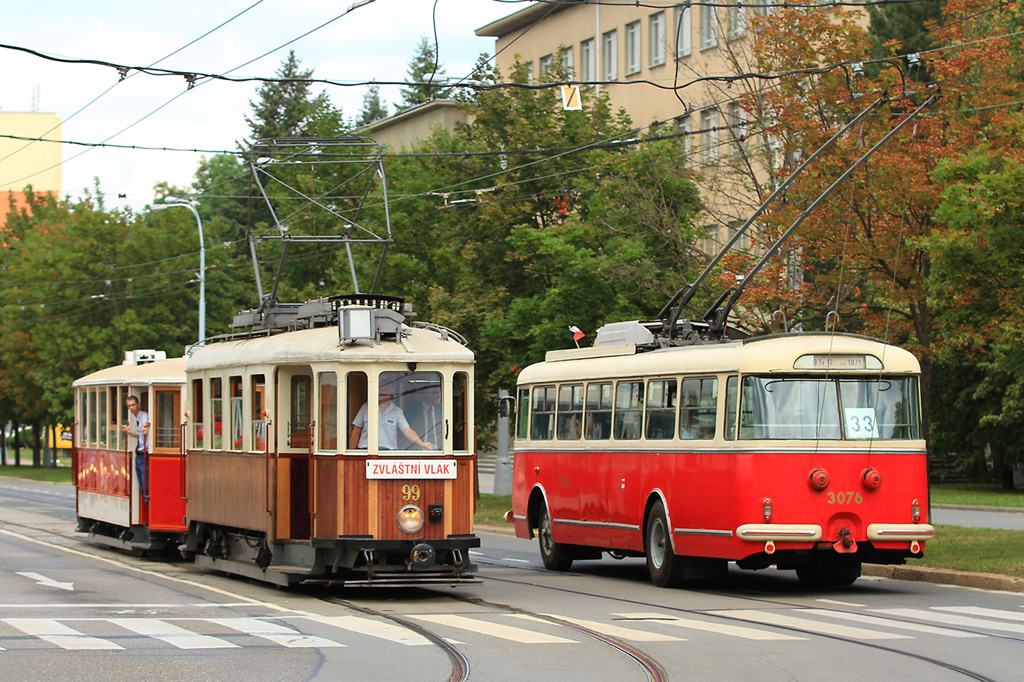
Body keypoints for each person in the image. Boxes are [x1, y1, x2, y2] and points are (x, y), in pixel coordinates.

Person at [348, 386, 432, 450]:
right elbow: (356, 430)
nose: (383, 392)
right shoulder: (366, 407)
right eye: (381, 390)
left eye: (386, 390)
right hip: (365, 450)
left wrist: (421, 443)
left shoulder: (397, 411)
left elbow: (407, 430)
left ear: (392, 393)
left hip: (388, 453)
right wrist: (350, 454)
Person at [123, 395, 151, 502]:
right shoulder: (136, 418)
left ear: (138, 405)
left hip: (145, 454)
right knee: (141, 485)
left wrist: (146, 428)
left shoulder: (143, 416)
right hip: (139, 453)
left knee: (145, 486)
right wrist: (129, 432)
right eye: (129, 406)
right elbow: (140, 434)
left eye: (133, 405)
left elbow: (145, 427)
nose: (131, 408)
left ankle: (149, 509)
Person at [407, 385, 443, 450]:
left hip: (439, 450)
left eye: (439, 393)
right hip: (418, 450)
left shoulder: (442, 410)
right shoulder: (412, 410)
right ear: (427, 394)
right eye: (436, 393)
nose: (439, 395)